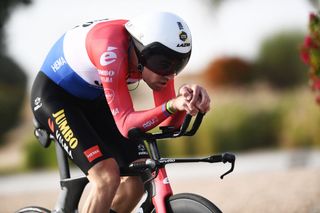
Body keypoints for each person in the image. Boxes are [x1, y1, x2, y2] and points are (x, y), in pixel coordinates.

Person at [30, 11, 211, 213]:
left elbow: (169, 125)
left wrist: (186, 100)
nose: (169, 74)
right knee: (106, 177)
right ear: (142, 50)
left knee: (136, 179)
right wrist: (171, 106)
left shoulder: (157, 64)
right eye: (164, 63)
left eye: (178, 64)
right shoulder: (110, 50)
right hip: (55, 97)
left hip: (95, 99)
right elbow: (127, 125)